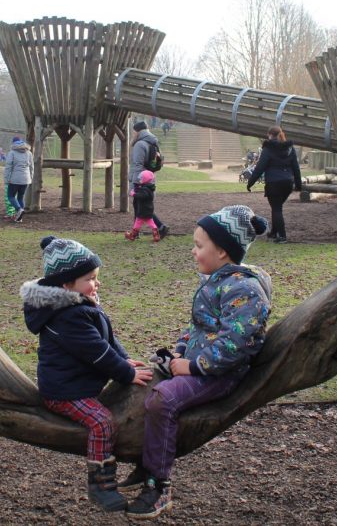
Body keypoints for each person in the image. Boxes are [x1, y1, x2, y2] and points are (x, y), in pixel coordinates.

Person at [124, 205, 272, 518]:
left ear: (221, 251)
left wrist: (193, 367)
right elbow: (196, 326)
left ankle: (158, 485)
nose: (193, 251)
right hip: (202, 362)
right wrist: (179, 351)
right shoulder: (216, 281)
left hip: (221, 373)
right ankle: (143, 458)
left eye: (199, 245)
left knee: (163, 399)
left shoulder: (244, 290)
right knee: (148, 375)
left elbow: (236, 344)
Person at [22, 236, 153, 512]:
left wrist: (125, 360)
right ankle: (100, 485)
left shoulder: (80, 303)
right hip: (64, 391)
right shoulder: (67, 315)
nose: (97, 283)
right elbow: (95, 351)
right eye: (90, 278)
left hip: (80, 383)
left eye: (96, 277)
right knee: (102, 422)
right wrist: (124, 374)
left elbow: (106, 339)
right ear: (67, 284)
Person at [246, 125, 302, 243]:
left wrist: (250, 183)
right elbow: (296, 168)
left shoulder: (268, 149)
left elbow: (260, 168)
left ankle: (282, 236)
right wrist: (298, 184)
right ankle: (273, 233)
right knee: (277, 208)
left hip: (273, 183)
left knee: (276, 209)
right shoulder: (290, 149)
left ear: (269, 135)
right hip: (287, 183)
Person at [129, 121, 168, 238]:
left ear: (137, 131)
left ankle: (161, 227)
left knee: (141, 207)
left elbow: (137, 165)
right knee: (141, 206)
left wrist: (135, 184)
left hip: (140, 181)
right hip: (149, 179)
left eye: (133, 132)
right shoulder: (153, 142)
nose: (132, 134)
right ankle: (136, 233)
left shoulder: (140, 144)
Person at [125, 170, 159, 242]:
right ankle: (156, 234)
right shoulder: (150, 188)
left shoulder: (144, 189)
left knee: (137, 223)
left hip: (143, 210)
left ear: (145, 179)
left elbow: (141, 196)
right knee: (151, 222)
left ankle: (132, 236)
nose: (140, 180)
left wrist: (133, 194)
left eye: (141, 178)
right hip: (149, 209)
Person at [4, 136, 33, 222]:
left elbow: (8, 167)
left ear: (13, 143)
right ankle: (19, 218)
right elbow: (32, 167)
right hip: (26, 179)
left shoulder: (12, 153)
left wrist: (6, 179)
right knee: (20, 197)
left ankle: (19, 210)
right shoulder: (29, 153)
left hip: (15, 179)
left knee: (11, 196)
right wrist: (30, 178)